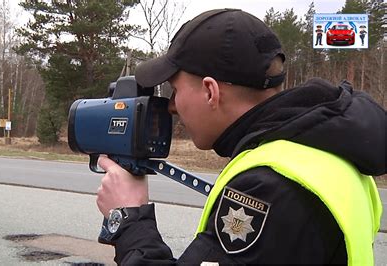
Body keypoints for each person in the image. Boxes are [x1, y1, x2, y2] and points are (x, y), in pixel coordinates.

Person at [96, 9, 385, 265]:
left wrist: (130, 221)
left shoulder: (270, 187)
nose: (171, 105)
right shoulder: (324, 150)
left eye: (176, 89)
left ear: (211, 92)